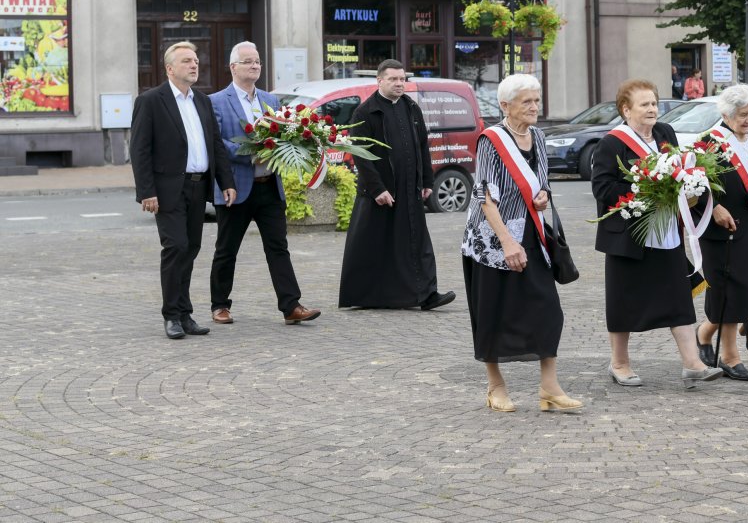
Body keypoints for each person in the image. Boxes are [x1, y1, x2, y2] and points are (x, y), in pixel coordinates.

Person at [461, 73, 583, 413]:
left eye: (536, 100)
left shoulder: (539, 136)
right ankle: (495, 386)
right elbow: (484, 194)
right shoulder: (491, 140)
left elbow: (540, 185)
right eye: (526, 101)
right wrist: (507, 243)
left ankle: (549, 388)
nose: (534, 106)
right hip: (493, 237)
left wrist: (543, 197)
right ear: (505, 106)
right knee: (493, 310)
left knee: (547, 309)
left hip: (531, 231)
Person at [591, 78, 722, 389]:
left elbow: (677, 169)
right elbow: (603, 188)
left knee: (678, 297)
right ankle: (619, 363)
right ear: (626, 110)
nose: (652, 109)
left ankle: (692, 363)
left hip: (667, 233)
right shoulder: (611, 143)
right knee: (623, 301)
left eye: (654, 103)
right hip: (630, 235)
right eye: (644, 104)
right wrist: (646, 188)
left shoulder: (665, 132)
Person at [208, 41, 321, 327]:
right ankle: (220, 305)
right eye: (248, 61)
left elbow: (284, 136)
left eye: (257, 61)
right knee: (226, 249)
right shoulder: (217, 101)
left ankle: (291, 305)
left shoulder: (271, 101)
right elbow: (216, 144)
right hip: (236, 188)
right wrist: (252, 151)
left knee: (278, 247)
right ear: (233, 67)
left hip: (270, 185)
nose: (255, 65)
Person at [130, 41, 237, 339]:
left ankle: (186, 314)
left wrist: (226, 182)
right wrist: (146, 191)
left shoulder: (202, 101)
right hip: (166, 190)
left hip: (198, 186)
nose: (194, 65)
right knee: (175, 247)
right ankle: (172, 316)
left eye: (196, 60)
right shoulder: (151, 101)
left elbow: (215, 146)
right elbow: (140, 150)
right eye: (187, 61)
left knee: (190, 249)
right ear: (170, 68)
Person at [338, 59, 455, 311]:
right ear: (379, 81)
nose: (399, 83)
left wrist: (427, 180)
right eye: (393, 79)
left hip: (411, 188)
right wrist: (377, 188)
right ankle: (370, 296)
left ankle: (427, 294)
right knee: (378, 246)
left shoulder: (411, 108)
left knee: (417, 243)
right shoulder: (365, 112)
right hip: (381, 192)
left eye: (402, 79)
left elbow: (423, 145)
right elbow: (360, 154)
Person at [693, 84, 748, 382]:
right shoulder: (708, 144)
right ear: (727, 114)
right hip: (717, 229)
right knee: (725, 289)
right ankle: (729, 356)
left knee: (741, 288)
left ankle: (704, 334)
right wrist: (713, 208)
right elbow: (693, 187)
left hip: (747, 226)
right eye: (742, 114)